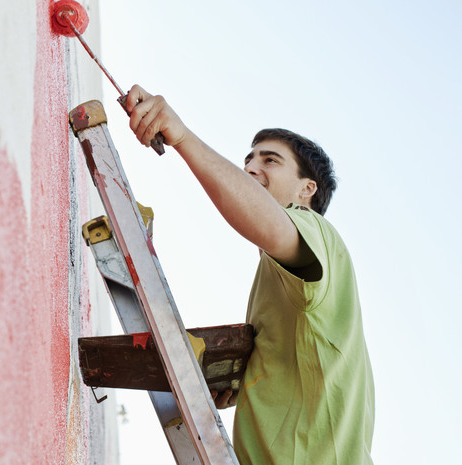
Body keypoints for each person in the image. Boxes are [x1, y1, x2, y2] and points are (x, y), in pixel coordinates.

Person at [123, 85, 375, 464]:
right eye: (249, 159)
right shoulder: (279, 280)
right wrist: (241, 382)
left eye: (270, 160)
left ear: (308, 189)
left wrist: (183, 137)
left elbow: (271, 226)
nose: (251, 168)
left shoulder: (317, 233)